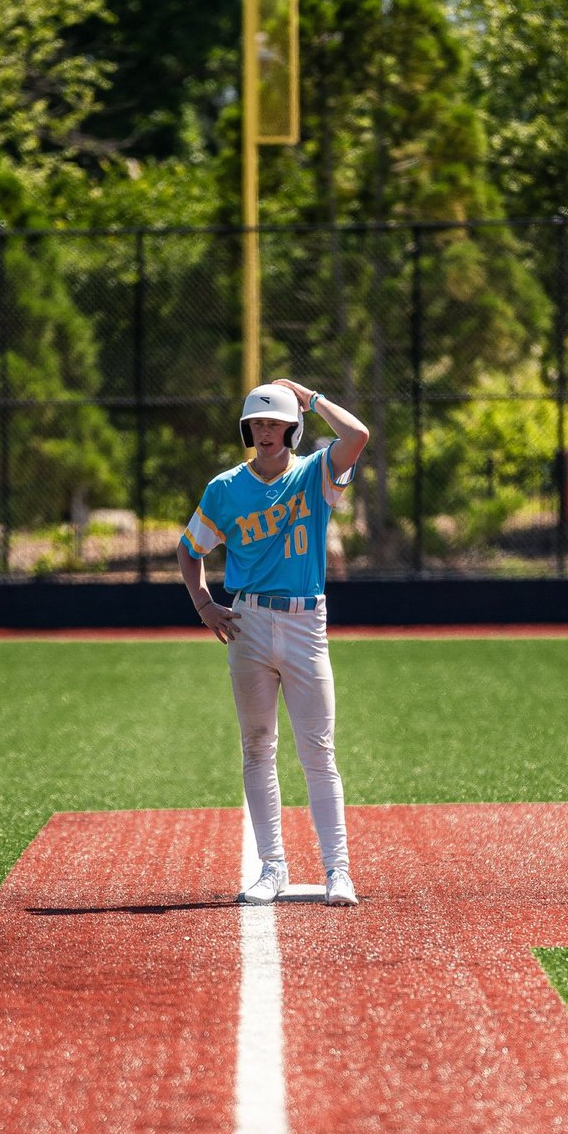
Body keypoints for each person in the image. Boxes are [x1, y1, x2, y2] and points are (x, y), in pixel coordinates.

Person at [177, 378, 369, 907]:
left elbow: (358, 435)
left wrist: (310, 397)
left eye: (274, 422)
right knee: (258, 746)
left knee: (318, 751)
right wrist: (203, 604)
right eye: (257, 423)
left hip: (308, 623)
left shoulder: (316, 473)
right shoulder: (224, 488)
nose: (264, 431)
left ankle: (338, 871)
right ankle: (272, 868)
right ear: (247, 429)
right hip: (248, 623)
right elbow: (189, 548)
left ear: (291, 428)